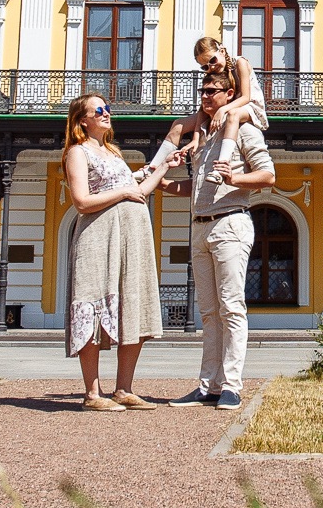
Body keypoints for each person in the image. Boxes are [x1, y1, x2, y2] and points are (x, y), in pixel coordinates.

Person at [163, 71, 275, 409]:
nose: (205, 95)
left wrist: (236, 177)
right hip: (199, 226)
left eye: (213, 90)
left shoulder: (242, 128)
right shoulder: (204, 137)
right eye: (203, 90)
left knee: (231, 307)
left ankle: (231, 386)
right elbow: (196, 190)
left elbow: (268, 175)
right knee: (208, 312)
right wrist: (163, 183)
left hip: (230, 225)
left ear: (230, 94)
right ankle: (207, 386)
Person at [61, 92, 170, 411]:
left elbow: (138, 194)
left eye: (108, 108)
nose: (107, 113)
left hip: (130, 242)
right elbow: (81, 201)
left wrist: (164, 167)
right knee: (91, 305)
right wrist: (123, 190)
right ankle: (93, 395)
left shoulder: (113, 152)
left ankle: (124, 389)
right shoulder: (77, 153)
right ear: (84, 120)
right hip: (98, 240)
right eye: (100, 110)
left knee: (132, 306)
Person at [134, 36, 264, 186]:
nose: (211, 67)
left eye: (212, 60)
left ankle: (219, 169)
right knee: (177, 124)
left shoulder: (240, 63)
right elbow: (202, 110)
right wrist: (195, 139)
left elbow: (246, 97)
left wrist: (223, 110)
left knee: (233, 115)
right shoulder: (214, 74)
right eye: (205, 66)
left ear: (221, 51)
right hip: (225, 109)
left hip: (249, 107)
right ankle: (150, 170)